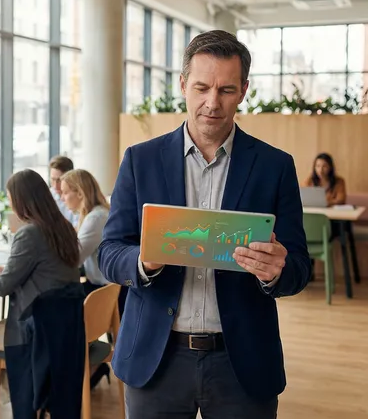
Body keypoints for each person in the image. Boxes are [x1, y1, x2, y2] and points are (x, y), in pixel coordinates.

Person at [98, 30, 311, 418]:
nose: (212, 103)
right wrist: (143, 263)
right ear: (183, 85)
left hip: (242, 362)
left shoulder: (275, 167)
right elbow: (109, 252)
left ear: (244, 90)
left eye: (227, 90)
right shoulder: (139, 160)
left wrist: (276, 271)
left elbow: (299, 267)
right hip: (155, 359)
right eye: (201, 88)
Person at [0, 169, 81, 396]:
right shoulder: (62, 226)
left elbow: (2, 287)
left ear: (21, 199)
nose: (9, 203)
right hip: (64, 324)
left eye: (10, 197)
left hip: (38, 328)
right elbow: (48, 268)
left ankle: (21, 393)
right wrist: (8, 270)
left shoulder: (29, 233)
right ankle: (31, 390)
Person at [59, 168, 113, 389]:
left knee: (56, 313)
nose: (62, 198)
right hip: (100, 286)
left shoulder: (96, 217)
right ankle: (87, 369)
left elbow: (74, 257)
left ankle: (82, 369)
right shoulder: (92, 215)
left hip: (100, 289)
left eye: (65, 193)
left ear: (79, 193)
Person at [48, 155, 79, 226]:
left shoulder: (78, 196)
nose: (55, 185)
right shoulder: (47, 195)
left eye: (59, 180)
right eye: (53, 179)